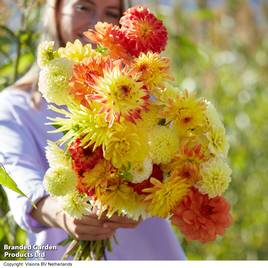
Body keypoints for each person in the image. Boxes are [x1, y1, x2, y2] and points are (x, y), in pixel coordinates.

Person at [0, 0, 186, 260]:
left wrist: (150, 197)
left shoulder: (142, 96)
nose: (98, 23)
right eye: (83, 7)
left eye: (111, 13)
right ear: (55, 11)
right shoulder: (14, 107)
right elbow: (23, 189)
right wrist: (63, 214)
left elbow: (174, 169)